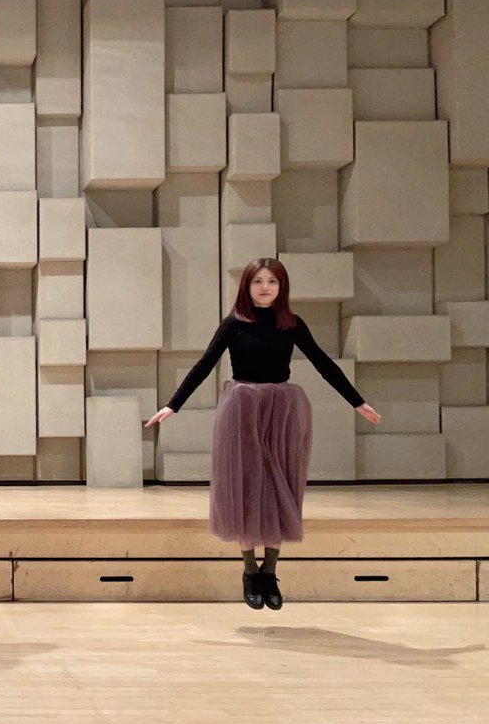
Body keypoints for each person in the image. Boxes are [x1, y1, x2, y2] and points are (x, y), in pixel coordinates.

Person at [146, 257, 381, 610]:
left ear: (281, 287)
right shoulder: (234, 323)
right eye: (258, 281)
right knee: (244, 485)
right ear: (247, 285)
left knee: (278, 485)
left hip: (281, 410)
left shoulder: (291, 323)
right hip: (242, 409)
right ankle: (249, 570)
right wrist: (173, 405)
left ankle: (270, 571)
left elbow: (323, 363)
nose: (265, 287)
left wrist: (357, 402)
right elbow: (204, 364)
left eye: (272, 281)